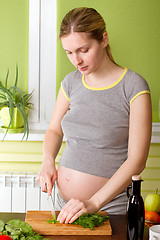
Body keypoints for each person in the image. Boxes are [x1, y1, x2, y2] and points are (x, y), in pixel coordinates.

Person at [37, 7, 152, 224]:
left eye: (83, 50)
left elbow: (137, 161)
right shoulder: (70, 83)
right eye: (69, 52)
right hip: (64, 206)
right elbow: (54, 130)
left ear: (104, 39)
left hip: (109, 208)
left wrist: (94, 202)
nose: (76, 61)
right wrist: (47, 161)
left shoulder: (133, 86)